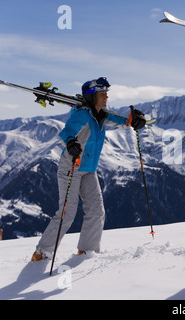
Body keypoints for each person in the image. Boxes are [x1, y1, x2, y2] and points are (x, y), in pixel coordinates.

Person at [31, 77, 146, 261]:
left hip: (89, 170)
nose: (106, 97)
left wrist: (132, 120)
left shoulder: (101, 114)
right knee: (67, 214)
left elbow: (116, 118)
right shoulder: (83, 114)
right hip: (71, 167)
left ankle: (87, 251)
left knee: (97, 211)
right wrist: (71, 142)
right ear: (92, 96)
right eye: (102, 94)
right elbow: (67, 131)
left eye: (107, 93)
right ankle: (42, 252)